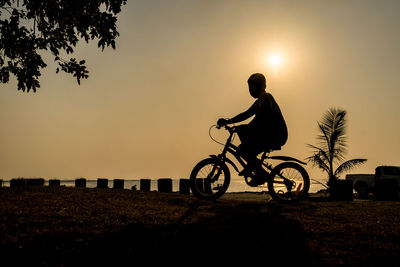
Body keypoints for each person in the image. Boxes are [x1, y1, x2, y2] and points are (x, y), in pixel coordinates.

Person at [217, 73, 288, 177]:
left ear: (258, 86)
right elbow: (246, 114)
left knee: (243, 146)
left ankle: (255, 169)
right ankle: (258, 171)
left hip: (275, 135)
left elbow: (261, 120)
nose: (250, 90)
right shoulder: (260, 101)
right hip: (268, 134)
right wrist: (228, 121)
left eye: (251, 87)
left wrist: (242, 127)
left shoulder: (266, 98)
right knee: (242, 149)